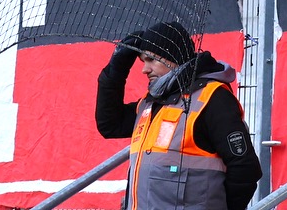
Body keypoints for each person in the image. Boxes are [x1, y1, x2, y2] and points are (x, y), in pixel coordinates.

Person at [94, 23, 263, 210]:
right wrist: (116, 69)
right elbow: (110, 124)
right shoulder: (151, 102)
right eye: (143, 61)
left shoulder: (212, 98)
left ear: (173, 57)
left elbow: (245, 168)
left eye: (151, 59)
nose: (145, 69)